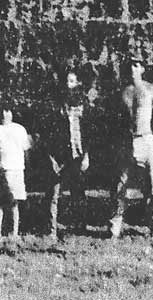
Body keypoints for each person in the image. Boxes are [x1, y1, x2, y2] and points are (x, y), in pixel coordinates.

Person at [110, 55, 153, 238]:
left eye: (136, 65)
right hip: (128, 142)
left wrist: (149, 130)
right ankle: (114, 227)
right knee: (121, 186)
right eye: (130, 65)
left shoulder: (151, 89)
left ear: (142, 68)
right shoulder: (124, 92)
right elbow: (118, 119)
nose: (132, 69)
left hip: (147, 139)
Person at [40, 71, 91, 239]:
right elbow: (46, 134)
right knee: (53, 194)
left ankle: (79, 226)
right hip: (58, 156)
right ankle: (50, 229)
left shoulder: (82, 105)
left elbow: (87, 132)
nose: (68, 85)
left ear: (77, 84)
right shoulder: (54, 106)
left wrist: (86, 155)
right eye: (66, 82)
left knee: (78, 191)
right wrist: (51, 159)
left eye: (72, 82)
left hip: (77, 154)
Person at [0, 102, 31, 241]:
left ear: (12, 113)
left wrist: (26, 166)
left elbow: (26, 151)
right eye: (2, 111)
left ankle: (14, 233)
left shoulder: (20, 129)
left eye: (8, 111)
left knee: (15, 201)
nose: (5, 114)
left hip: (16, 169)